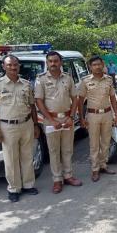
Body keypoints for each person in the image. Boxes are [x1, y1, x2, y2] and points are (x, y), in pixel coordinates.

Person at [0, 55, 40, 202]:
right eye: (9, 65)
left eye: (15, 65)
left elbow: (32, 106)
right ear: (4, 67)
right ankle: (14, 188)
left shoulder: (26, 84)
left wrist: (36, 125)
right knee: (11, 159)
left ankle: (28, 185)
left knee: (27, 156)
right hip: (7, 126)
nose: (13, 67)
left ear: (19, 66)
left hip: (26, 124)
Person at [35, 51, 82, 194]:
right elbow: (39, 101)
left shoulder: (68, 78)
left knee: (67, 149)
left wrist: (71, 116)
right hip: (50, 121)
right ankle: (57, 179)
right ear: (47, 63)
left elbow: (75, 98)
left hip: (67, 119)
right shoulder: (41, 79)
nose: (53, 64)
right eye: (50, 61)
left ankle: (68, 176)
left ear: (60, 62)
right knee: (54, 150)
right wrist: (50, 119)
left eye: (56, 61)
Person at [78, 55, 117, 182]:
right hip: (93, 115)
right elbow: (80, 100)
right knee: (94, 143)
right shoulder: (85, 81)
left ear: (103, 65)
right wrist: (81, 118)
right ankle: (95, 169)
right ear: (90, 67)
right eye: (94, 65)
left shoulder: (108, 80)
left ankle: (103, 165)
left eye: (99, 64)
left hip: (107, 114)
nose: (97, 67)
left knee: (106, 142)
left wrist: (116, 115)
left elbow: (112, 98)